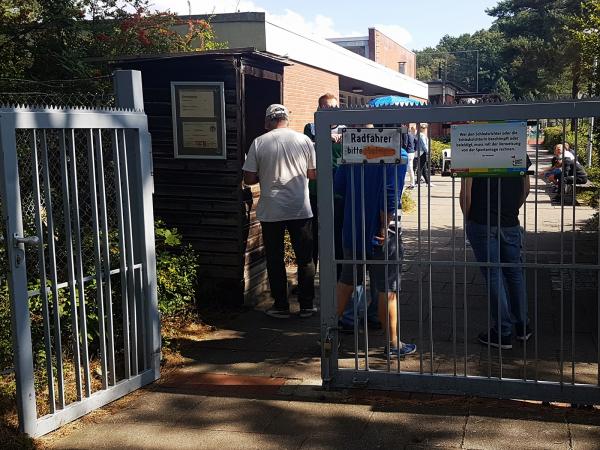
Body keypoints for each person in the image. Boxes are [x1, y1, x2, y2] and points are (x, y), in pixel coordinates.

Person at [334, 151, 416, 356]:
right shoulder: (397, 152)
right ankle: (394, 344)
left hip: (353, 228)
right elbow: (390, 192)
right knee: (387, 287)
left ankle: (328, 334)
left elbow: (339, 187)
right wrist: (383, 225)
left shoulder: (352, 150)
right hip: (382, 232)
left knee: (347, 280)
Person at [243, 104, 316, 319]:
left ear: (268, 121)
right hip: (300, 208)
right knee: (305, 259)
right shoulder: (304, 141)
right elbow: (313, 174)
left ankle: (281, 306)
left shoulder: (259, 142)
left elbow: (248, 179)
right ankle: (307, 306)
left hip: (271, 209)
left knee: (275, 259)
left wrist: (263, 176)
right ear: (286, 119)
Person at [460, 167, 532, 349]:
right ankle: (523, 326)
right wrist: (510, 211)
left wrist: (469, 219)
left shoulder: (473, 148)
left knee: (493, 275)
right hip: (510, 222)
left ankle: (502, 331)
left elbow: (466, 194)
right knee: (514, 272)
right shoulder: (515, 145)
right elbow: (526, 188)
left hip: (482, 221)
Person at [303, 93, 344, 270]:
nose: (330, 110)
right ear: (319, 108)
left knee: (338, 232)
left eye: (333, 107)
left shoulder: (346, 129)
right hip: (316, 188)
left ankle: (338, 276)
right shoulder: (311, 128)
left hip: (339, 189)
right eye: (326, 107)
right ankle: (310, 275)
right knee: (312, 234)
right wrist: (325, 137)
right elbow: (307, 145)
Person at [404, 123, 417, 189]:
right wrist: (415, 149)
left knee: (407, 168)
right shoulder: (412, 134)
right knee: (410, 168)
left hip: (407, 152)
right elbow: (416, 142)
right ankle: (412, 183)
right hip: (412, 152)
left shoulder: (406, 134)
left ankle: (411, 183)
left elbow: (405, 144)